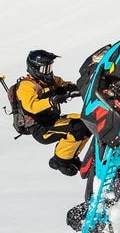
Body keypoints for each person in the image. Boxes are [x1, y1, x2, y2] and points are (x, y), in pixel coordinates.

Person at [14, 49, 91, 177]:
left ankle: (71, 156)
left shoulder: (52, 80)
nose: (48, 72)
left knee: (89, 120)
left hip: (53, 120)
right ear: (34, 69)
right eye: (45, 69)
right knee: (78, 127)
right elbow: (32, 106)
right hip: (41, 128)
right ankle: (60, 161)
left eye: (50, 67)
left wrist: (82, 88)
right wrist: (52, 100)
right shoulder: (26, 86)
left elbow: (67, 85)